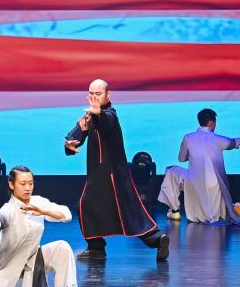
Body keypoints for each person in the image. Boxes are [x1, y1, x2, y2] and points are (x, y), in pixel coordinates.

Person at [64, 79, 169, 261]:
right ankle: (98, 248)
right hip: (98, 175)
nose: (94, 97)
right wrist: (70, 143)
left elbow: (105, 121)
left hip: (114, 175)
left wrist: (98, 113)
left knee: (126, 210)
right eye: (92, 94)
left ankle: (156, 239)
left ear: (108, 95)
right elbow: (77, 132)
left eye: (98, 94)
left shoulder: (110, 114)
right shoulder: (90, 116)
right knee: (91, 206)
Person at [157, 108, 240, 224]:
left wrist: (191, 156)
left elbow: (181, 159)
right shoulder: (217, 139)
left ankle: (174, 210)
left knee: (171, 170)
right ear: (211, 123)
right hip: (215, 186)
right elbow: (237, 141)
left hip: (193, 182)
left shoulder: (188, 137)